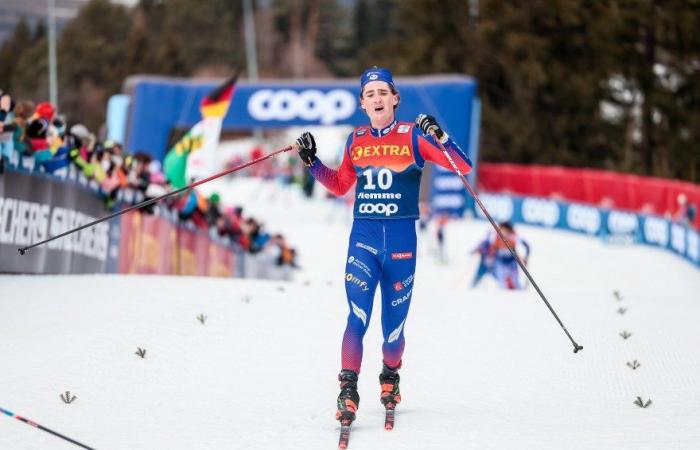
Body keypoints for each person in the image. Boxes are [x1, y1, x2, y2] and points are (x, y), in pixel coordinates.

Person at [294, 66, 473, 426]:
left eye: (382, 93)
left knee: (393, 332)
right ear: (362, 103)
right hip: (364, 241)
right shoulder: (355, 140)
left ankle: (390, 375)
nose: (377, 98)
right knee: (357, 317)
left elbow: (463, 167)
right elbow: (341, 184)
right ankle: (348, 389)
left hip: (402, 247)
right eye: (370, 94)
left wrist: (440, 136)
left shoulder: (413, 137)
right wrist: (312, 163)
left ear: (395, 99)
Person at [481, 222, 530, 290]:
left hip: (511, 263)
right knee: (501, 280)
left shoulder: (513, 238)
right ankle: (503, 292)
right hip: (501, 263)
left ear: (508, 231)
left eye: (505, 231)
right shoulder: (497, 238)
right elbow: (493, 249)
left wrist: (522, 259)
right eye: (501, 230)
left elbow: (516, 251)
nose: (503, 232)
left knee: (515, 280)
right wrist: (489, 256)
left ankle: (518, 291)